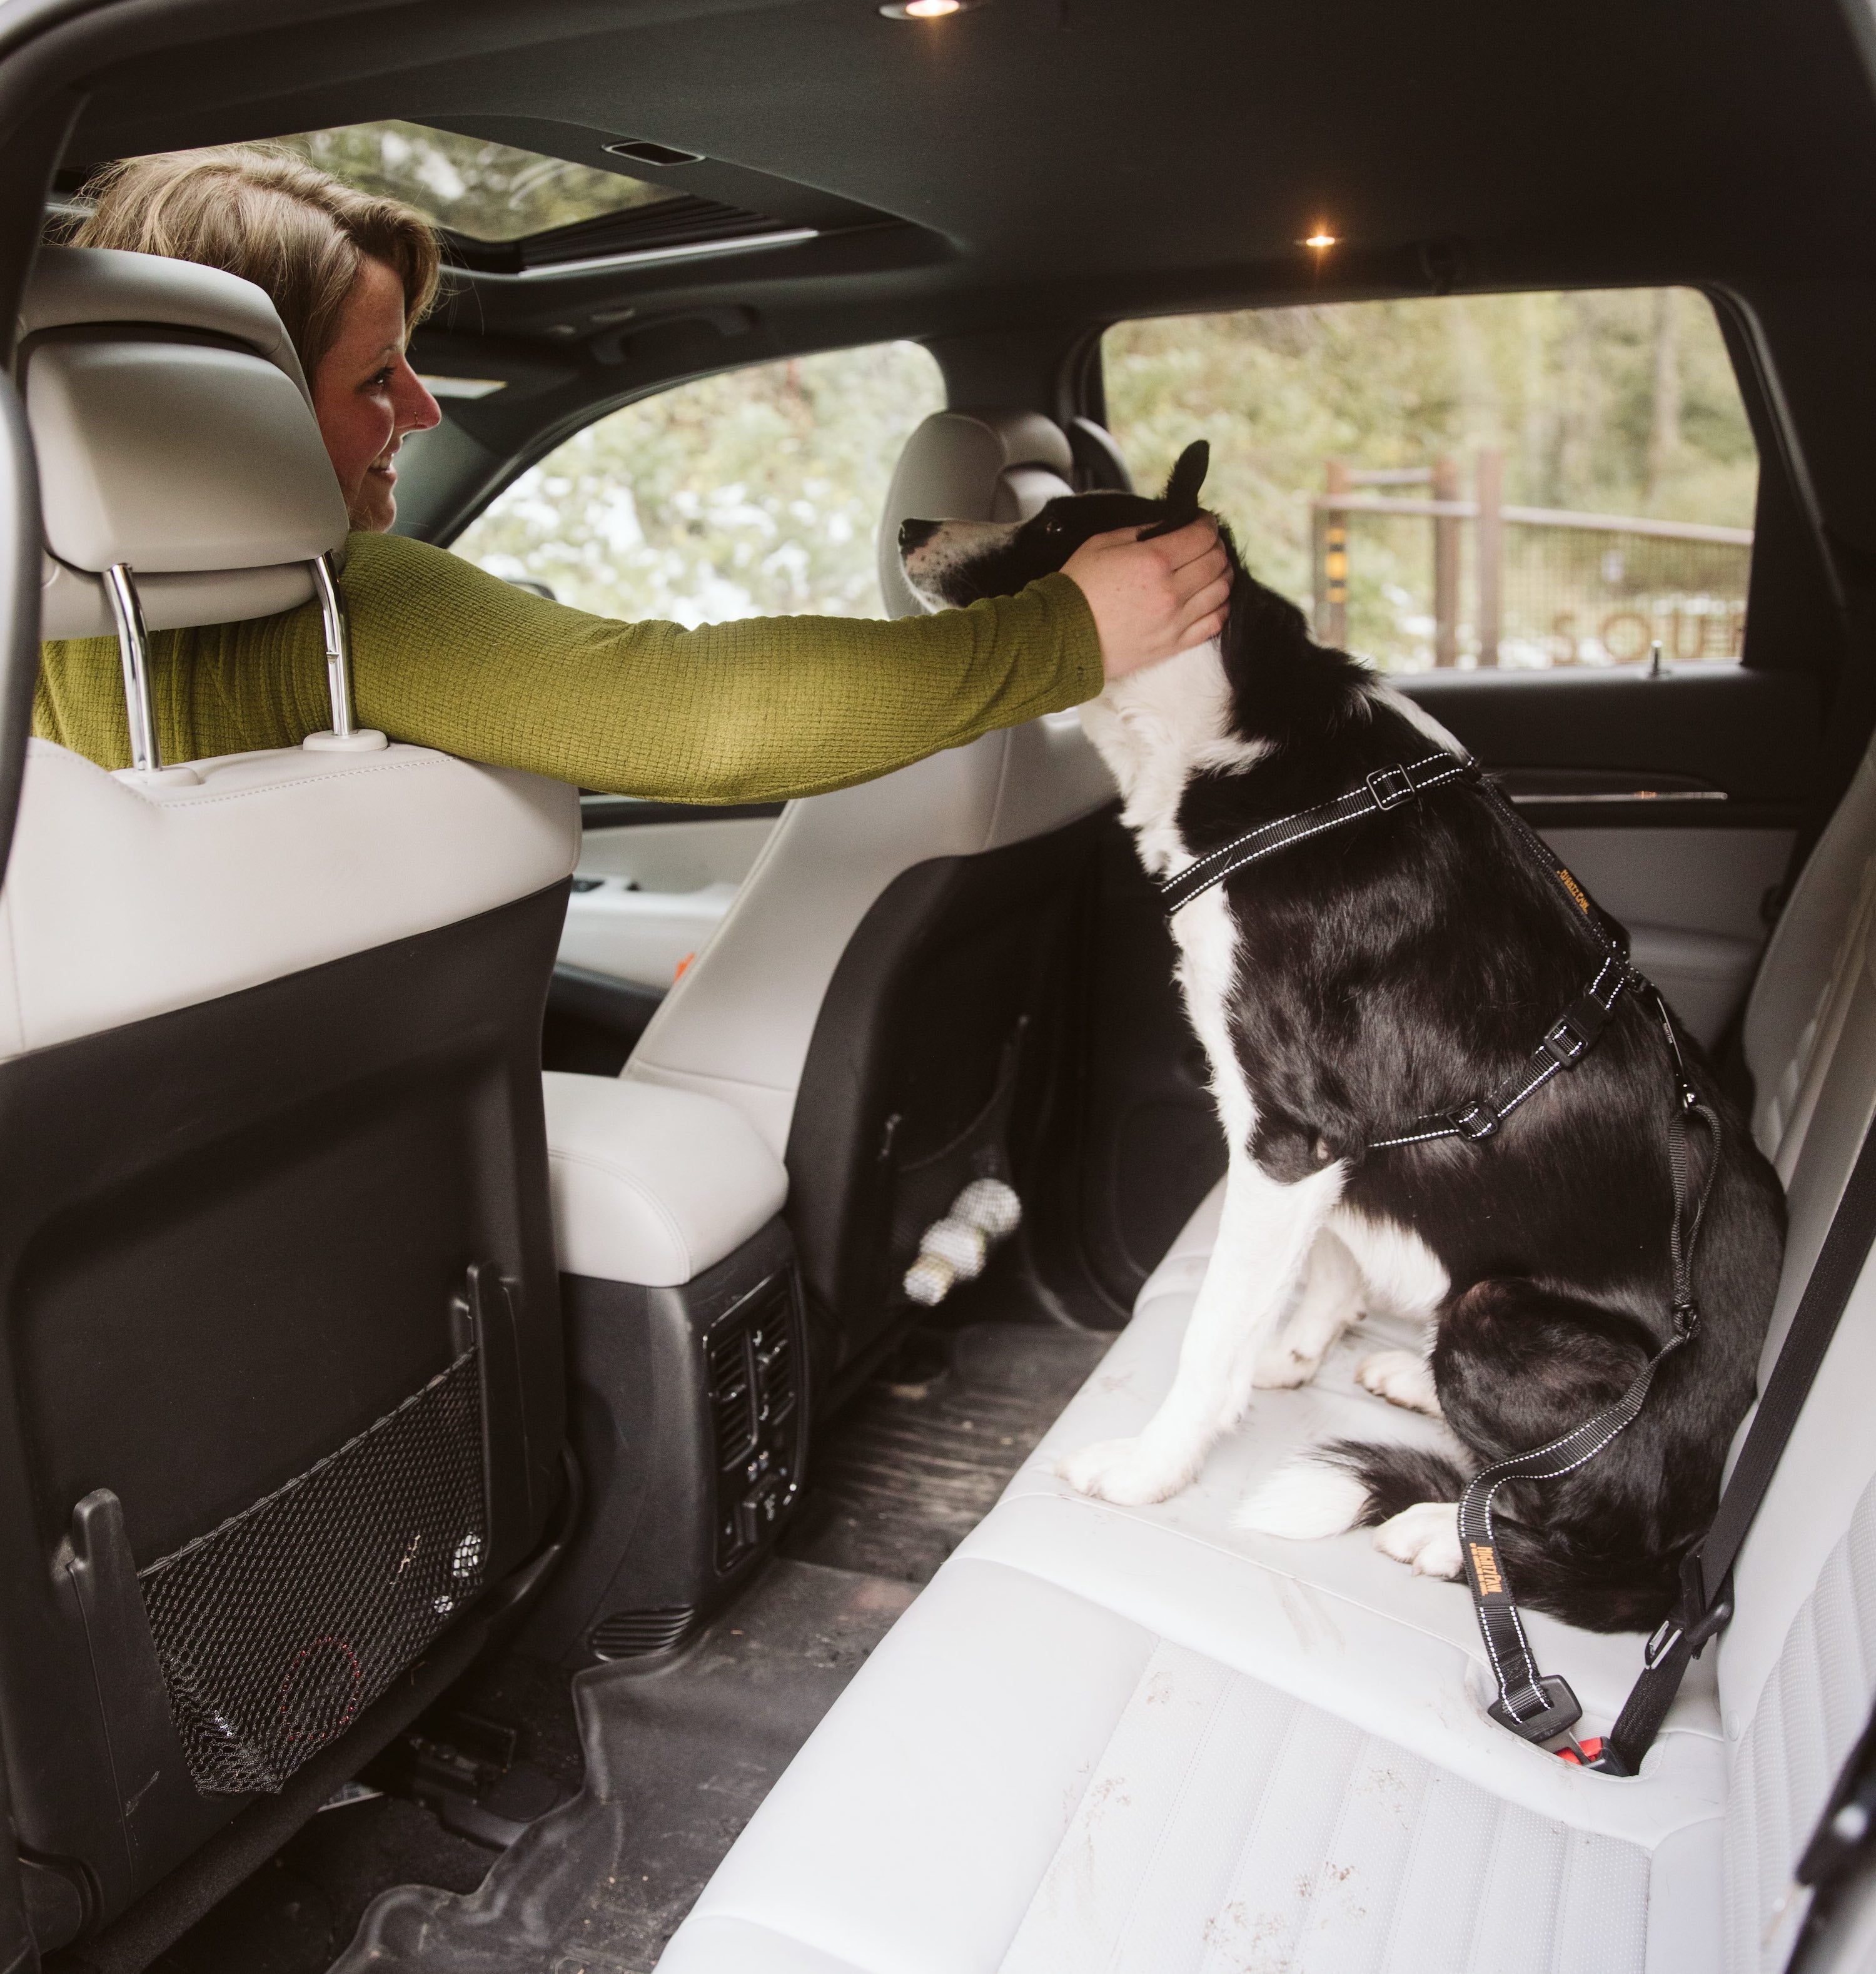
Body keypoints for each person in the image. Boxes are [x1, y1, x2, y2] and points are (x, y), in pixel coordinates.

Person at [35, 147, 1229, 800]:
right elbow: (707, 716)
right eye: (374, 380)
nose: (423, 409)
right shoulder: (350, 614)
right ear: (233, 417)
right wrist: (1066, 629)